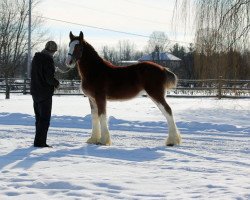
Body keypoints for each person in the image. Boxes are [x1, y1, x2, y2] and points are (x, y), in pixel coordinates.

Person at [30, 41, 59, 148]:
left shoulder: (36, 58)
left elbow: (38, 74)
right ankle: (40, 142)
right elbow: (49, 79)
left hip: (35, 92)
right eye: (54, 52)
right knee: (45, 119)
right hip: (45, 93)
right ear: (52, 51)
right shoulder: (48, 60)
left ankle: (37, 141)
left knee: (38, 118)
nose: (54, 54)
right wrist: (56, 83)